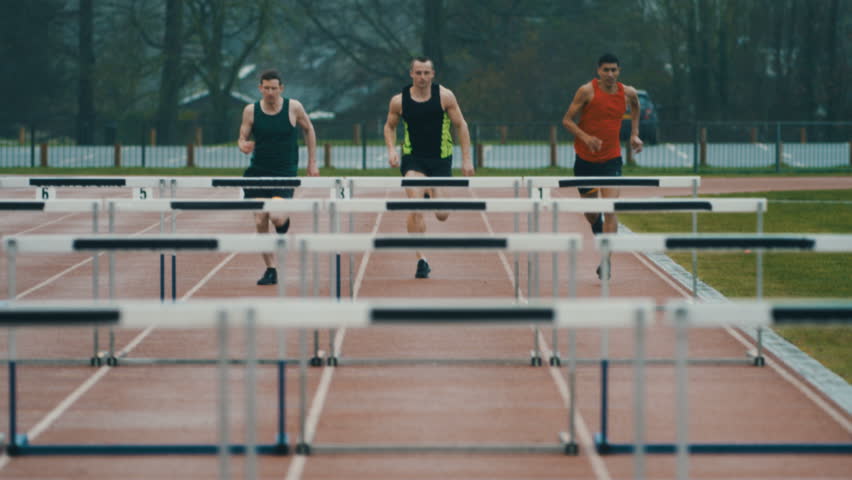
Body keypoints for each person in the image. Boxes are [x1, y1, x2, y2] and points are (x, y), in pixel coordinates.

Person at [384, 57, 475, 279]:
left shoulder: (445, 96)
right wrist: (392, 150)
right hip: (413, 159)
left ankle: (428, 191)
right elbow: (389, 126)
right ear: (411, 74)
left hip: (440, 160)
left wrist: (467, 159)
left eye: (426, 73)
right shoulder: (399, 101)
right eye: (418, 73)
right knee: (414, 206)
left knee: (442, 214)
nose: (422, 77)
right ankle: (421, 259)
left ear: (433, 74)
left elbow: (461, 125)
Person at [562, 53, 643, 280]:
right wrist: (586, 138)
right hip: (585, 161)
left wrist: (634, 134)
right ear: (598, 71)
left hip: (611, 160)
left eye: (614, 70)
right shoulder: (586, 91)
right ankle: (599, 230)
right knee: (591, 213)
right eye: (606, 70)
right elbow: (567, 120)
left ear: (619, 71)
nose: (610, 74)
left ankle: (606, 260)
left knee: (610, 208)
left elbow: (635, 107)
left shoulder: (628, 93)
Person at [238, 69, 319, 285]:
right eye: (266, 88)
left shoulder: (294, 107)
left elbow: (309, 129)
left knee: (276, 217)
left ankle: (283, 223)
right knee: (259, 219)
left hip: (284, 173)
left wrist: (312, 162)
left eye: (274, 88)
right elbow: (242, 136)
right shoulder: (251, 111)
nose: (270, 92)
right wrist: (242, 144)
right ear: (260, 88)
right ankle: (271, 269)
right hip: (257, 173)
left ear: (281, 88)